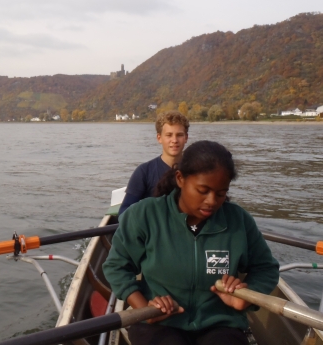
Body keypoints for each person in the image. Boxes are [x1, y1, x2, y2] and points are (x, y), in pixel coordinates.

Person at [103, 141, 279, 345]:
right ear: (180, 179)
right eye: (203, 191)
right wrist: (143, 309)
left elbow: (266, 268)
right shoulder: (144, 215)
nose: (212, 201)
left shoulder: (238, 221)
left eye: (221, 193)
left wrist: (246, 296)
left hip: (221, 324)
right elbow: (116, 266)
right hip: (160, 323)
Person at [118, 111, 189, 216]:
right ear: (159, 138)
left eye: (179, 135)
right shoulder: (144, 171)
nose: (174, 140)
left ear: (186, 138)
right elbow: (124, 212)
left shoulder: (194, 170)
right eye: (169, 135)